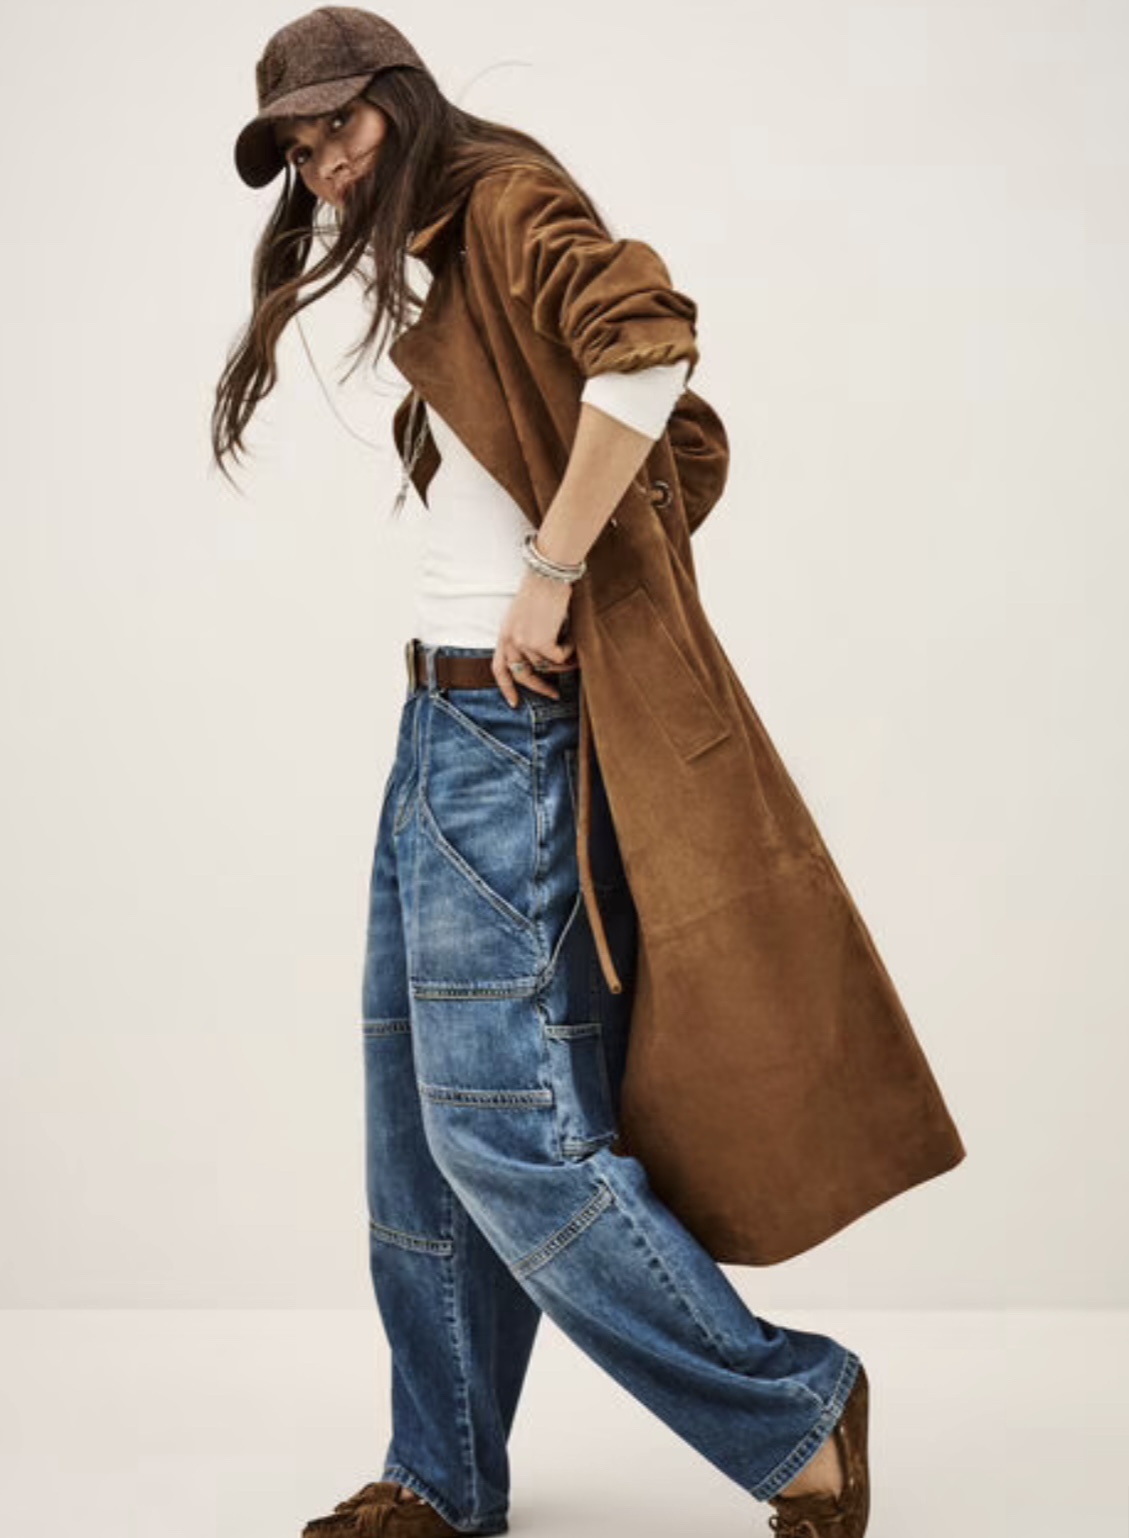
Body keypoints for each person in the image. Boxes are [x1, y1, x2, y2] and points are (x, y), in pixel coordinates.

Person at [213, 9, 873, 1536]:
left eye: (338, 127)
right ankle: (439, 1476)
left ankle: (791, 1405)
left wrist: (554, 570)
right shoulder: (442, 240)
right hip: (437, 731)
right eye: (298, 149)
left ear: (400, 98)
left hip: (506, 733)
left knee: (502, 1124)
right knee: (418, 1135)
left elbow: (647, 347)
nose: (322, 167)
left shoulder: (505, 200)